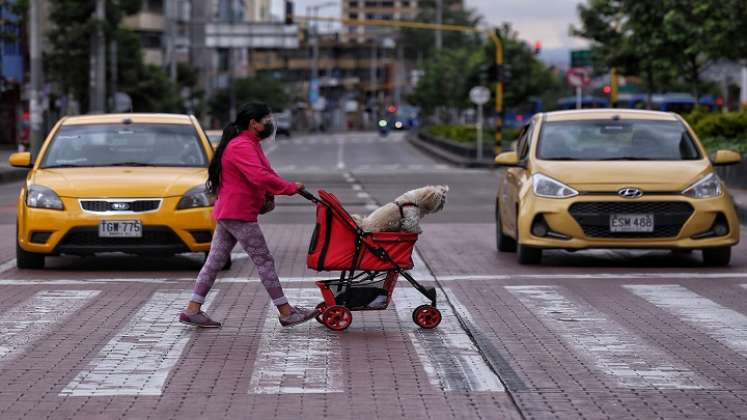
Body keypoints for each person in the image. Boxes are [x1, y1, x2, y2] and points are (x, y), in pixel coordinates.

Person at [180, 102, 319, 328]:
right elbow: (259, 176)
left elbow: (263, 174)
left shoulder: (249, 144)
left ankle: (192, 309)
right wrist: (289, 187)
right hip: (238, 213)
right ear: (253, 123)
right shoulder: (241, 146)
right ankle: (286, 311)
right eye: (266, 121)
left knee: (214, 262)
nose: (270, 125)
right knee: (263, 259)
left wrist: (270, 197)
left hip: (232, 212)